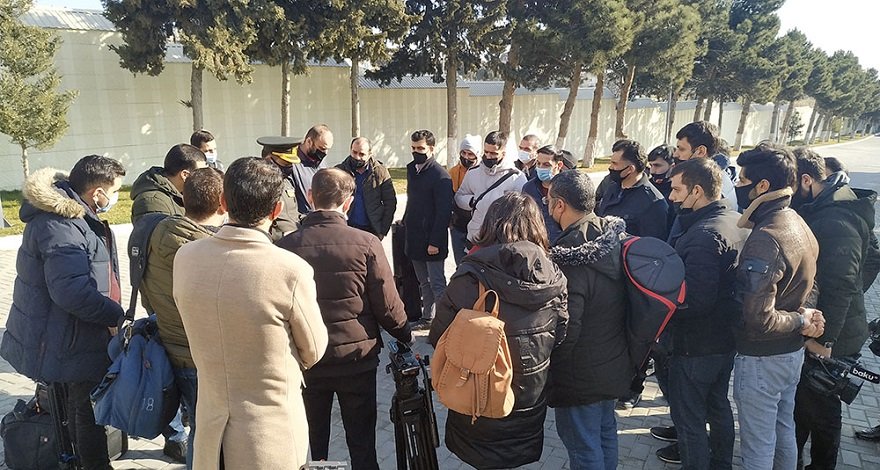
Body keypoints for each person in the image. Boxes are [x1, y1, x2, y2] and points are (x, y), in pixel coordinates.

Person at [172, 157, 328, 469]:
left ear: (223, 202)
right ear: (277, 210)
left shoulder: (186, 257)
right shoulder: (290, 270)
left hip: (211, 432)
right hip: (270, 435)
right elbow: (313, 350)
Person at [277, 168, 412, 469]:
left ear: (310, 197)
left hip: (308, 359)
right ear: (349, 202)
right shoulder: (367, 243)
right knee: (362, 441)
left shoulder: (285, 247)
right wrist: (405, 334)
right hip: (356, 359)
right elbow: (388, 305)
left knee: (314, 441)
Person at [1, 156, 127, 470]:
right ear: (97, 192)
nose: (115, 198)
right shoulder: (61, 225)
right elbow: (71, 292)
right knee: (86, 410)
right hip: (65, 335)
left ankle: (81, 460)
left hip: (69, 329)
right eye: (115, 191)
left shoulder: (74, 217)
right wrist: (114, 315)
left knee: (79, 405)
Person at [428, 192, 568, 469]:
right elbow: (560, 336)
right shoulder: (554, 278)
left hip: (476, 396)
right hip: (527, 397)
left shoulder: (468, 278)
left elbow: (438, 336)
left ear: (490, 224)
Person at [733, 143, 825, 470]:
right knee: (783, 429)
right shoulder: (796, 220)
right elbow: (812, 282)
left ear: (762, 186)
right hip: (790, 354)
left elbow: (759, 317)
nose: (737, 186)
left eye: (742, 180)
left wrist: (802, 319)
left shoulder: (767, 236)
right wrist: (806, 315)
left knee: (758, 444)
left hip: (763, 358)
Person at [659, 159, 750, 469]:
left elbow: (696, 301)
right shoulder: (734, 220)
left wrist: (661, 312)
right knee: (718, 406)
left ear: (696, 191)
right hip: (724, 339)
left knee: (690, 421)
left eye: (676, 189)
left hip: (695, 345)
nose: (671, 196)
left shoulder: (703, 235)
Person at [791, 148, 875, 469]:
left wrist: (824, 340)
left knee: (822, 411)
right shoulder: (826, 208)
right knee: (804, 406)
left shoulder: (835, 219)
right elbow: (869, 260)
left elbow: (842, 284)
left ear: (806, 180)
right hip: (826, 325)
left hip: (831, 336)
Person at [546, 170, 634, 470]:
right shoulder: (612, 236)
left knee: (584, 447)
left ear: (559, 205)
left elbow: (567, 326)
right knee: (605, 434)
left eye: (549, 200)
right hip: (613, 361)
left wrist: (552, 369)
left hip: (580, 374)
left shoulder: (570, 256)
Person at [139, 167, 225, 469]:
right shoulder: (209, 249)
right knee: (211, 437)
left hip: (172, 350)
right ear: (222, 204)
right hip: (203, 357)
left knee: (199, 431)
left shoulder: (156, 234)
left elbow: (149, 297)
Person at [402, 129, 453, 330]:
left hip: (432, 238)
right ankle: (428, 317)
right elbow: (412, 199)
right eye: (413, 148)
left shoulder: (440, 176)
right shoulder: (412, 169)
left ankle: (445, 322)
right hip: (414, 235)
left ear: (431, 148)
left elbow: (443, 212)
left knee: (437, 283)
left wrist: (435, 241)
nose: (416, 152)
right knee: (423, 281)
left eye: (420, 148)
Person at [454, 131, 528, 245]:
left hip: (500, 239)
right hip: (475, 236)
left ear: (503, 153)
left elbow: (524, 208)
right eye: (486, 152)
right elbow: (459, 196)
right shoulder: (473, 172)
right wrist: (472, 202)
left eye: (493, 153)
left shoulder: (517, 177)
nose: (488, 156)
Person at [597, 139, 670, 240]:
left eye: (615, 164)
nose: (611, 167)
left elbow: (652, 243)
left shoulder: (653, 203)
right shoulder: (611, 187)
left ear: (630, 169)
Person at [335, 137, 396, 238]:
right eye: (354, 152)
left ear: (370, 154)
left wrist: (383, 230)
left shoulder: (380, 172)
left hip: (371, 230)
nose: (357, 157)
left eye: (362, 154)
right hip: (346, 228)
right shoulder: (339, 171)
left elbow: (390, 202)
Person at [130, 143, 207, 224]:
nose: (205, 177)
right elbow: (163, 231)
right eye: (201, 173)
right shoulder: (152, 201)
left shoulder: (185, 193)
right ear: (185, 175)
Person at [673, 121, 736, 202]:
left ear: (701, 151)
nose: (675, 154)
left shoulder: (713, 186)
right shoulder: (703, 175)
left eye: (682, 149)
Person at [259, 135, 302, 240]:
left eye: (291, 163)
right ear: (269, 160)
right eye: (286, 163)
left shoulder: (286, 181)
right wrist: (280, 235)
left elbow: (292, 213)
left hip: (295, 238)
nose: (290, 167)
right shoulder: (259, 186)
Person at [522, 145, 566, 243]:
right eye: (538, 163)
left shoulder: (569, 186)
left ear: (559, 165)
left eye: (546, 165)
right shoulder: (529, 188)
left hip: (562, 242)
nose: (541, 168)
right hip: (536, 242)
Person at [449, 134, 481, 265]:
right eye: (463, 153)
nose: (466, 157)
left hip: (477, 226)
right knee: (460, 264)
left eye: (470, 154)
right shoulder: (453, 172)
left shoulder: (483, 172)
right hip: (457, 226)